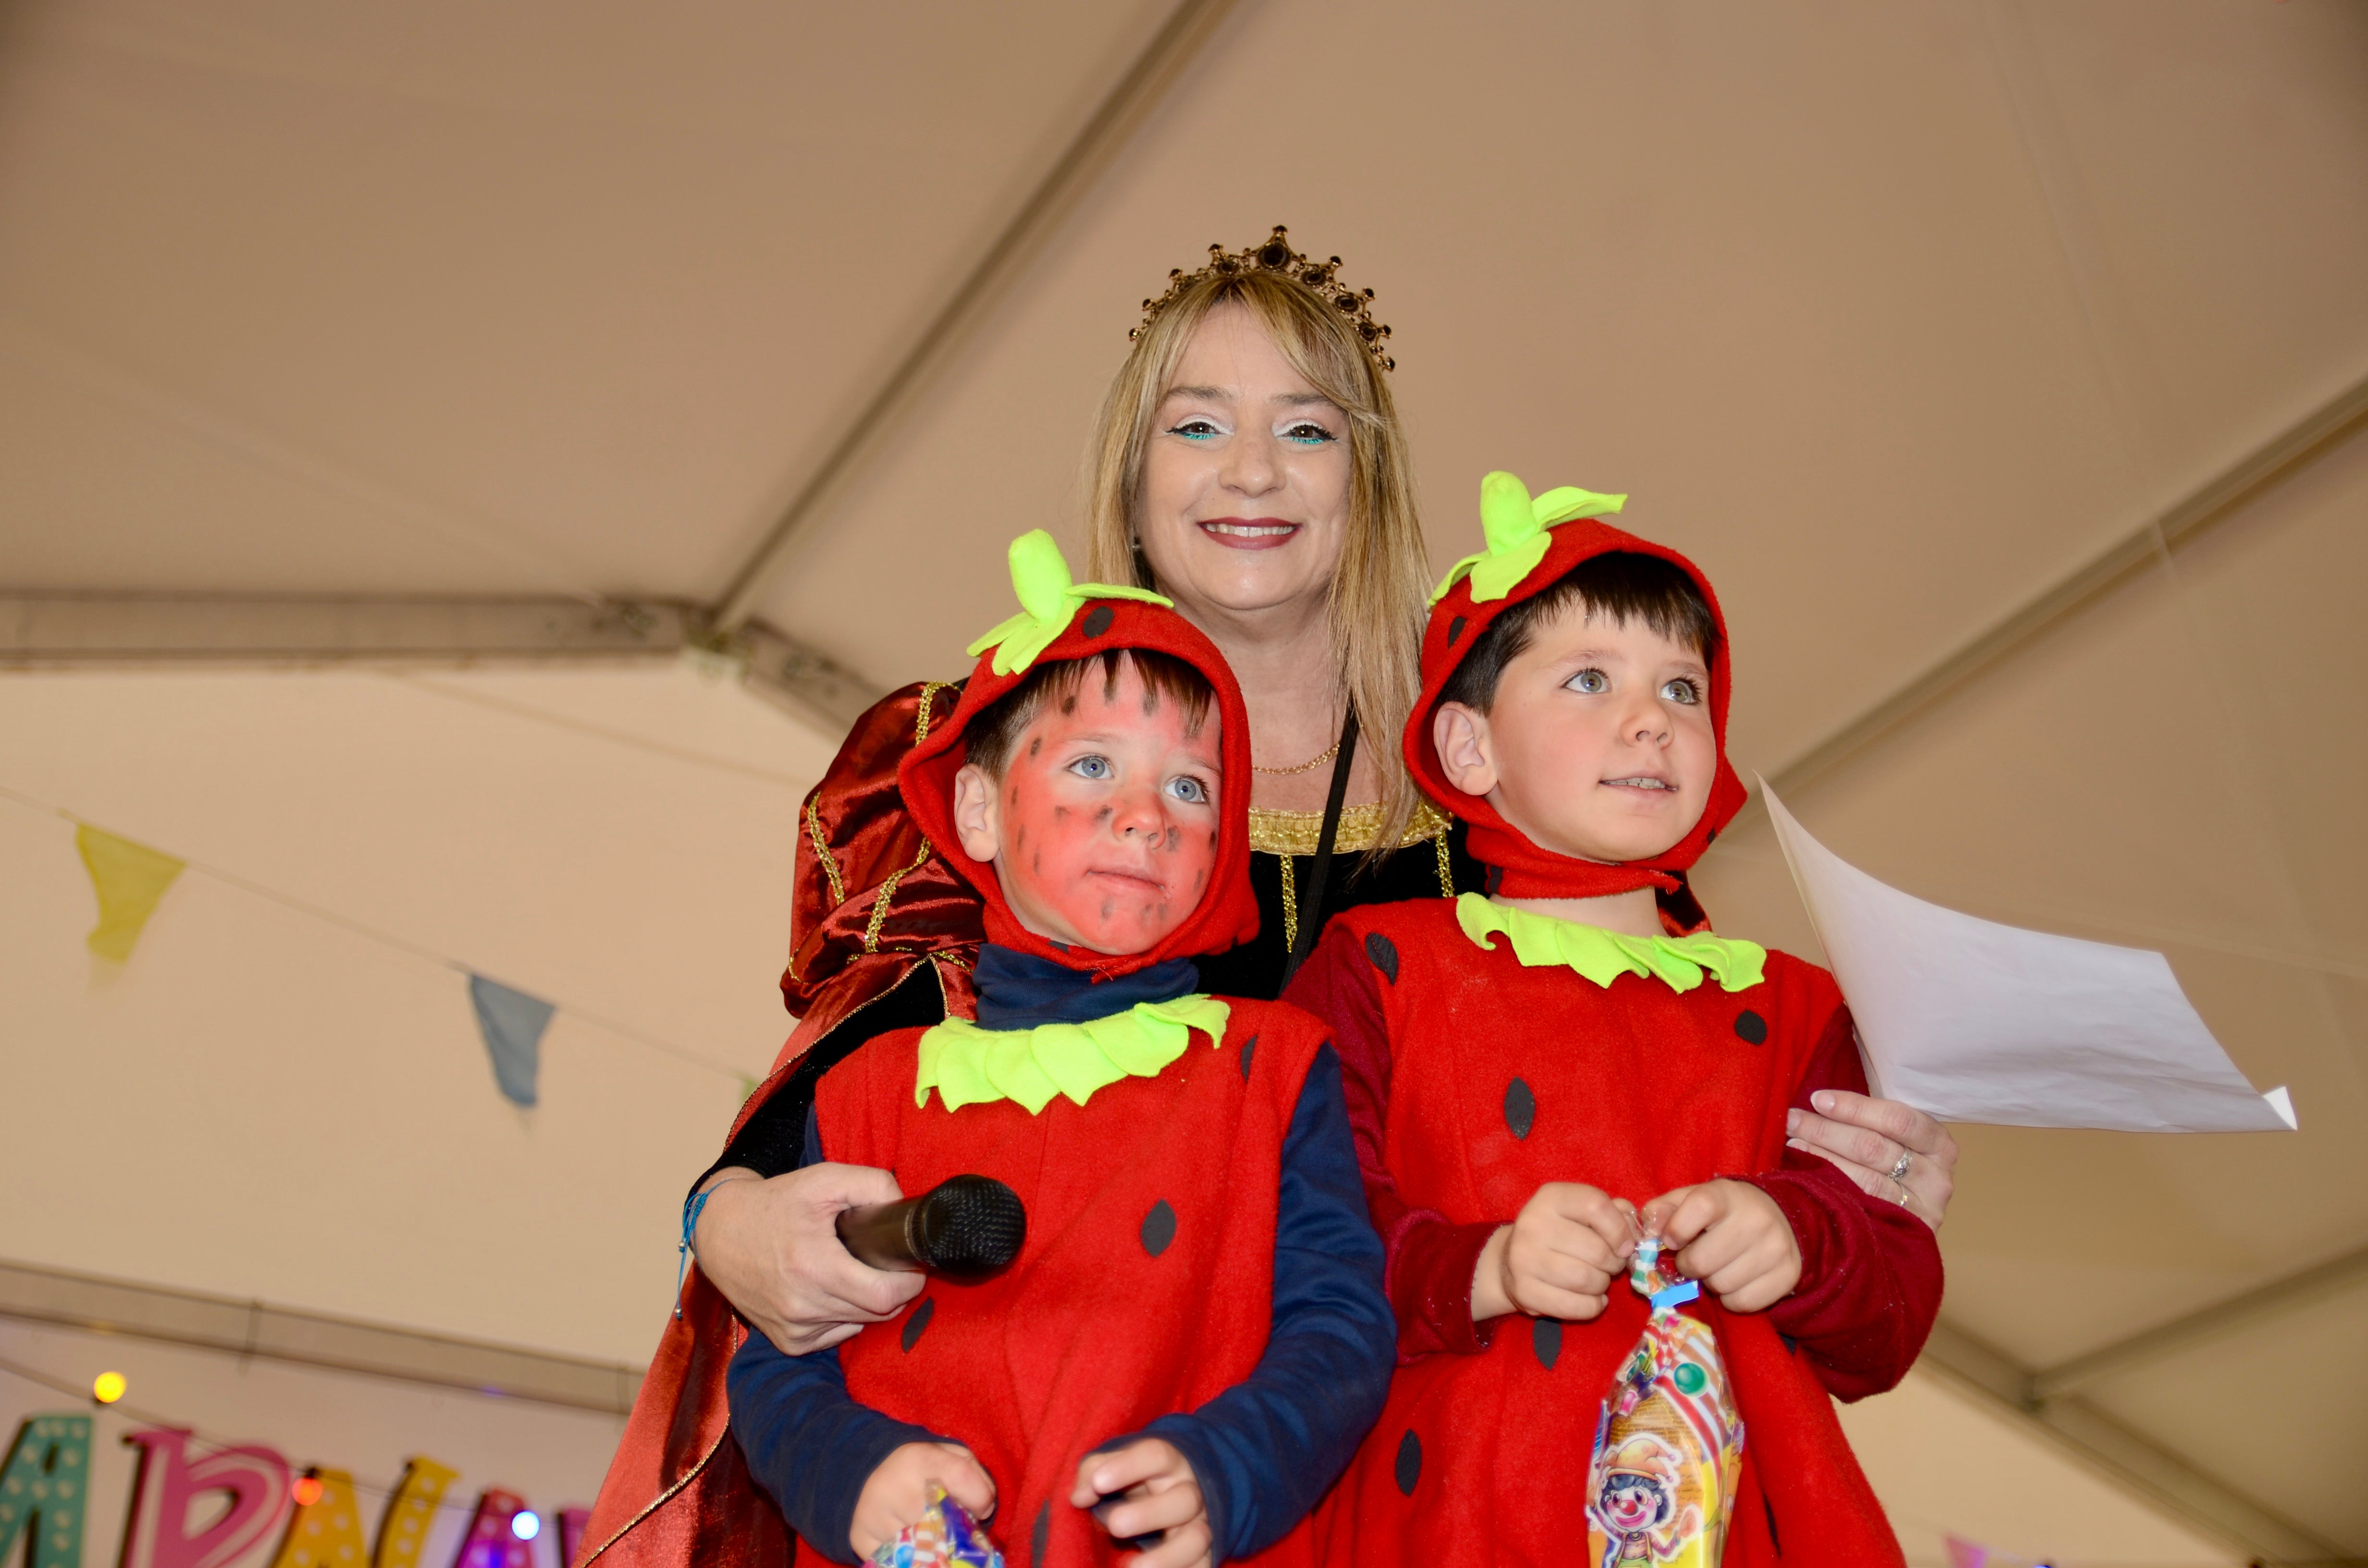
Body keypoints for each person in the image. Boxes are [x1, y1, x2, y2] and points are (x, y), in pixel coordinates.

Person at [578, 233, 1959, 1566]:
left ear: (1369, 475)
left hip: (1435, 1494)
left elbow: (1687, 1135)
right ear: (1131, 469)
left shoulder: (1524, 777)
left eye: (1306, 429)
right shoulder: (995, 760)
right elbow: (838, 1094)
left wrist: (1856, 1195)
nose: (1252, 471)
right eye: (1198, 426)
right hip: (1052, 1455)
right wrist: (726, 1217)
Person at [1290, 474, 1942, 1566]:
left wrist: (1802, 1238)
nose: (1651, 719)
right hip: (1453, 1507)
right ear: (1467, 749)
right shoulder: (1382, 965)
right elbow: (1302, 1245)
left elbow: (1888, 1314)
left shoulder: (1798, 1004)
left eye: (1683, 690)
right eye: (1590, 680)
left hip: (1731, 1518)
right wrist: (1483, 1268)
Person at [725, 534, 1393, 1568]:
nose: (1145, 818)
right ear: (981, 812)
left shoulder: (1276, 1068)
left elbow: (1342, 1330)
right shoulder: (867, 1089)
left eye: (1191, 788)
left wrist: (1229, 1469)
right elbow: (778, 1360)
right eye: (1093, 766)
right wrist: (847, 1470)